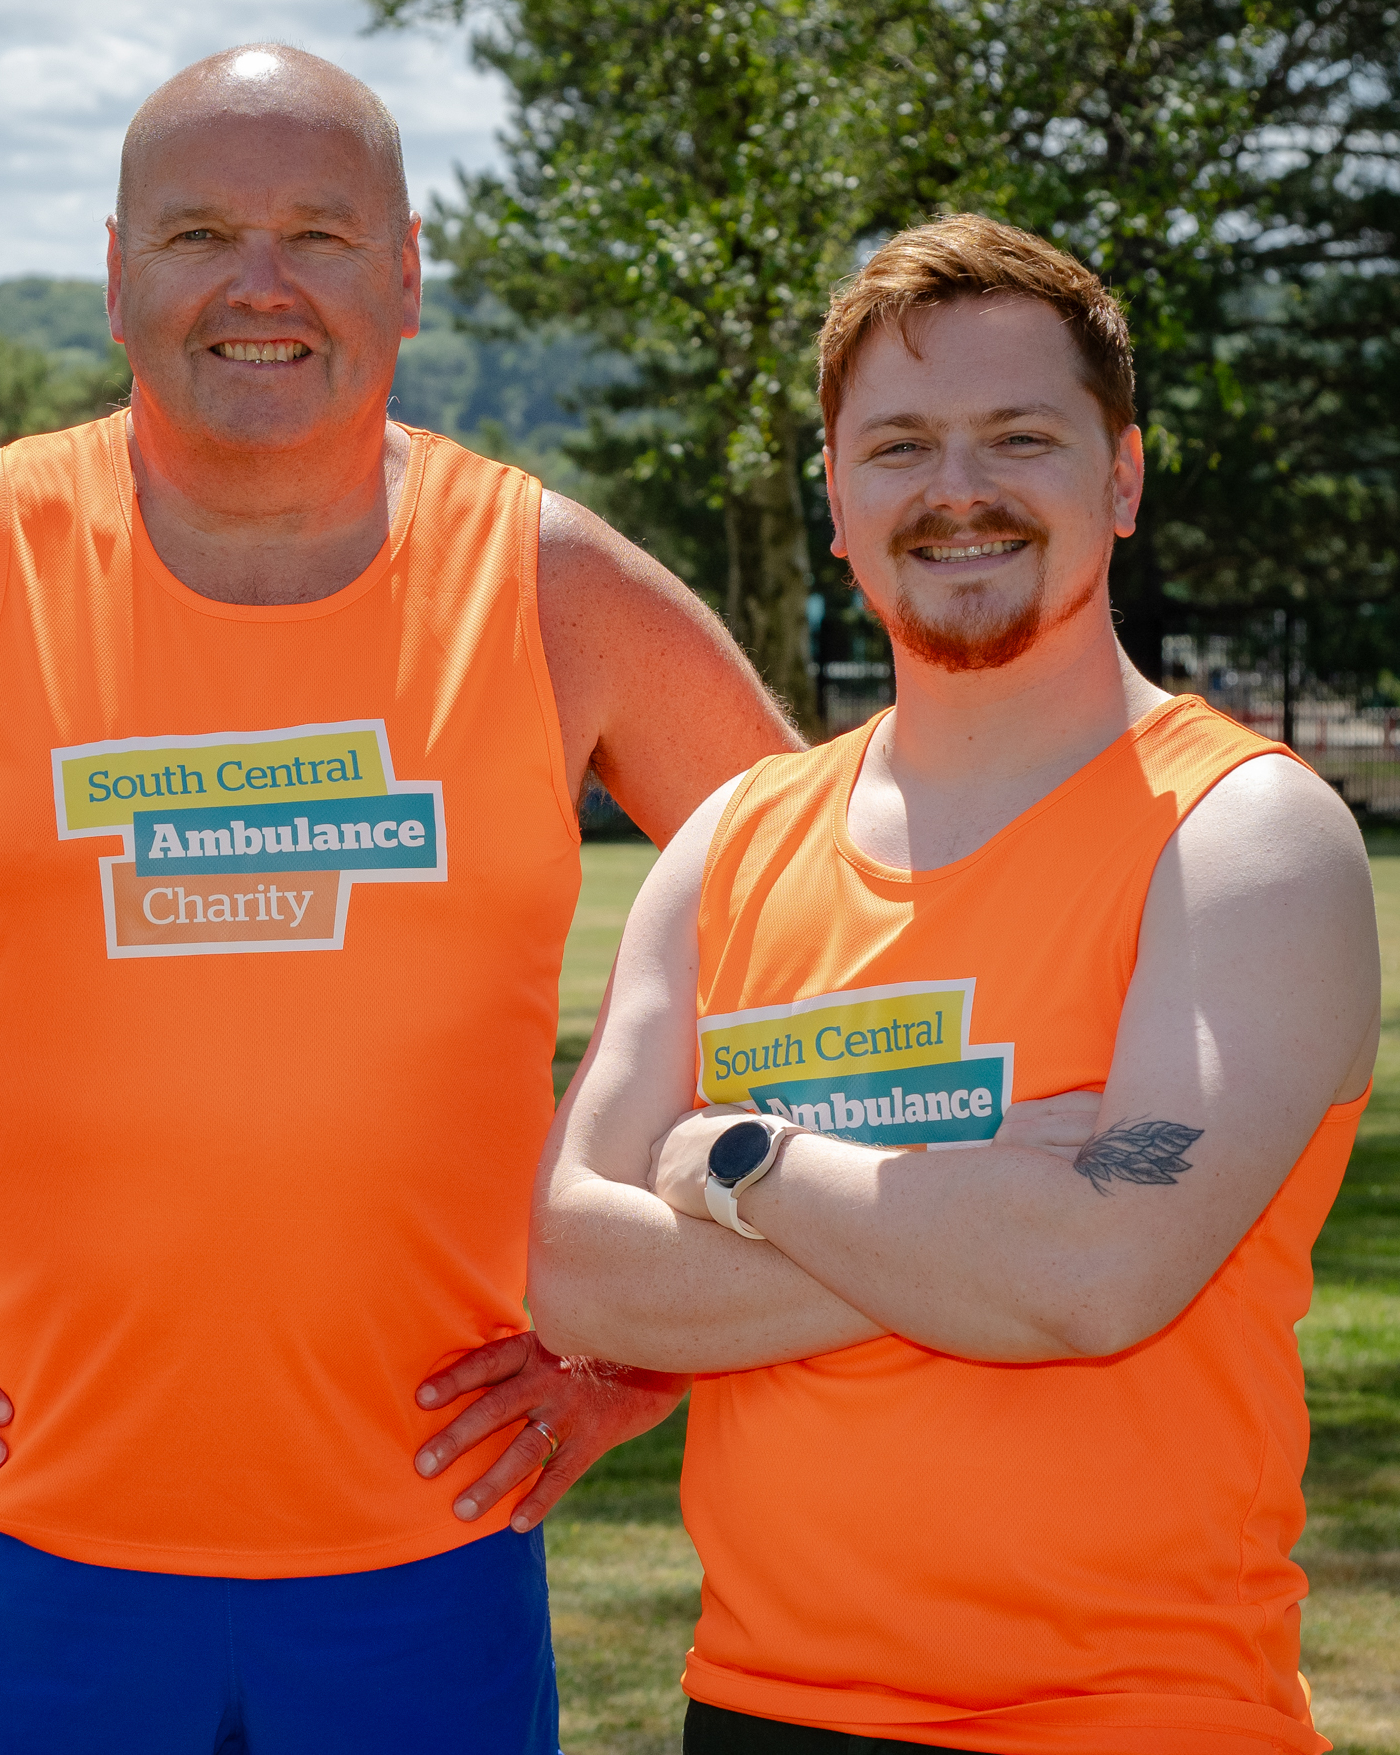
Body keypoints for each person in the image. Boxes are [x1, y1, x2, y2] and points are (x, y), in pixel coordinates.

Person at [0, 43, 799, 1753]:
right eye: (196, 236)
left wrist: (638, 1370)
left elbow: (825, 936)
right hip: (19, 1543)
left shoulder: (552, 585)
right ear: (115, 280)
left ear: (407, 275)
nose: (259, 287)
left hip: (433, 1551)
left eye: (320, 235)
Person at [532, 213, 1377, 1755]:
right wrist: (984, 1227)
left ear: (1121, 479)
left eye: (1020, 438)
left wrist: (741, 1159)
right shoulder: (733, 842)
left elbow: (1095, 1280)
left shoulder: (1246, 833)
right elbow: (576, 1273)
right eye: (900, 445)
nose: (957, 491)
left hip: (1134, 1717)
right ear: (838, 502)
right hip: (756, 1708)